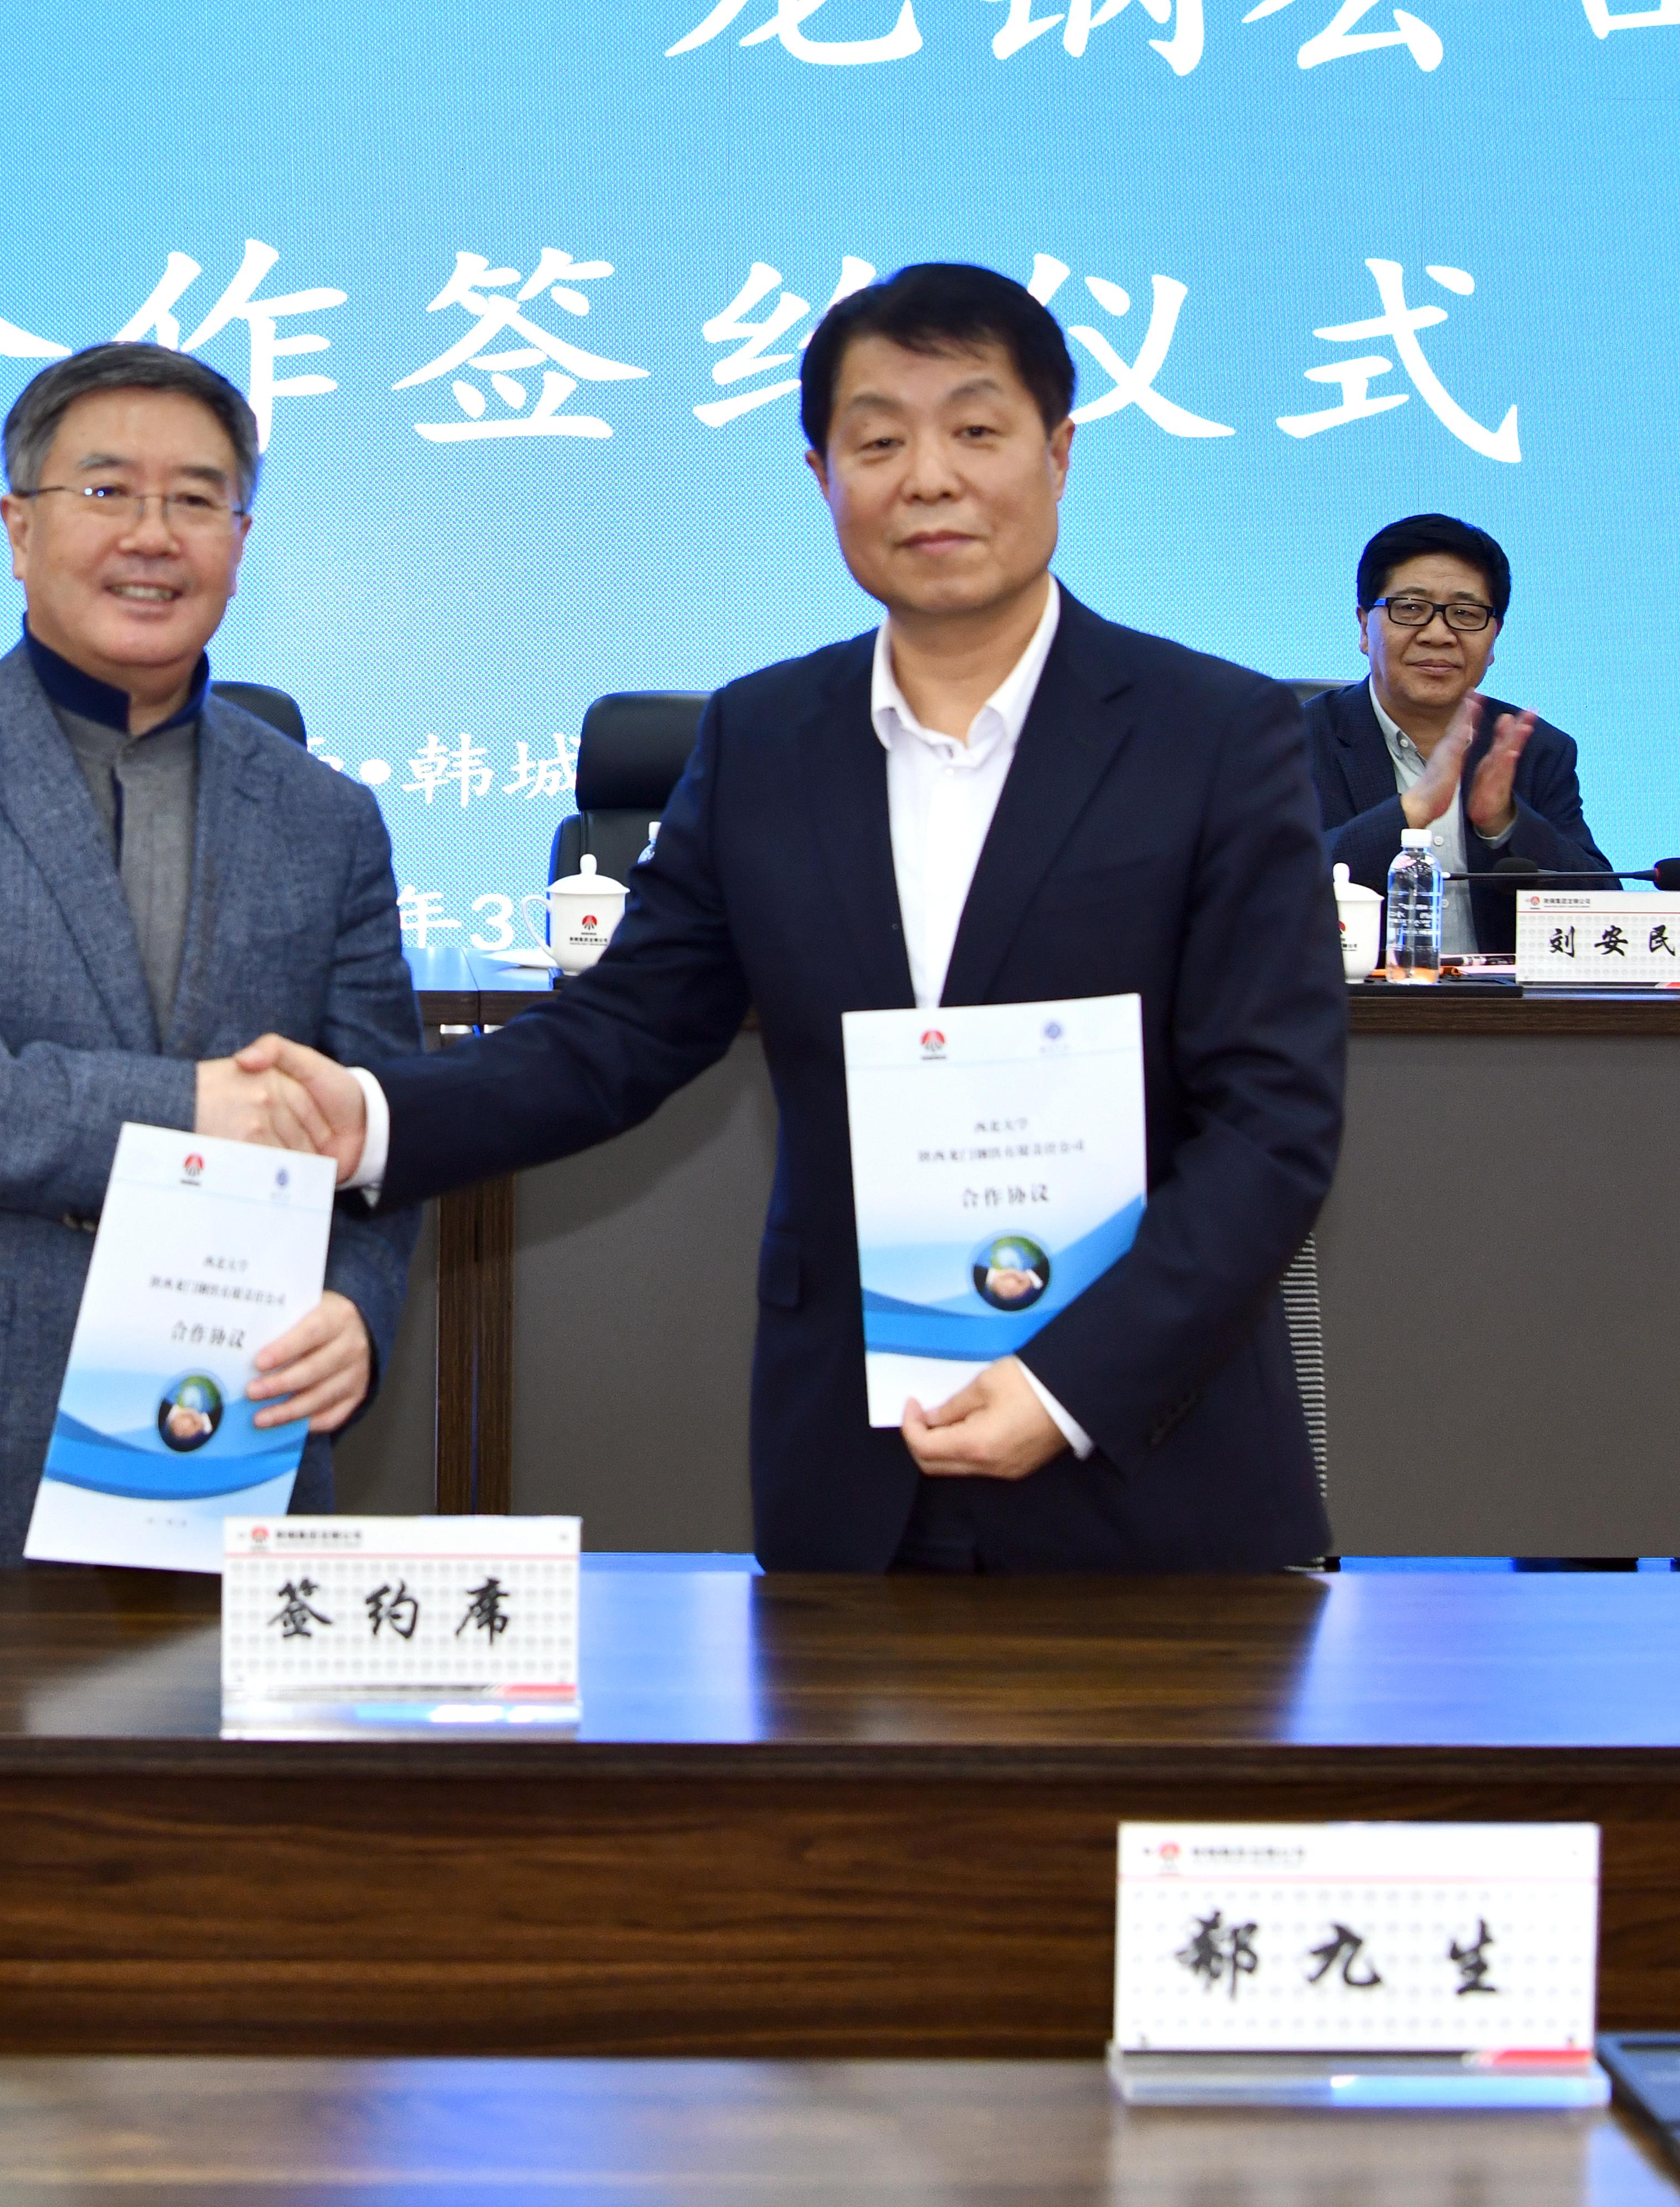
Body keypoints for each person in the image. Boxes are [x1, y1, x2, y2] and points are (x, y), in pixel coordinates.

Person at [231, 261, 1345, 1575]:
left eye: (975, 429)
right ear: (822, 474)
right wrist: (371, 1118)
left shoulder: (1215, 733)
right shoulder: (762, 736)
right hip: (855, 1475)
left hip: (1150, 1464)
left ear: (1058, 453)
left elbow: (1271, 1118)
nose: (928, 478)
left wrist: (1065, 1385)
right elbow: (622, 1030)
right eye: (877, 442)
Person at [0, 342, 423, 1567]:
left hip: (232, 1447)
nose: (152, 534)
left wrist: (361, 1308)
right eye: (107, 489)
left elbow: (382, 1120)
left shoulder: (327, 818)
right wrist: (187, 1110)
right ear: (19, 529)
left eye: (196, 499)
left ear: (241, 539)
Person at [1303, 511, 1608, 949]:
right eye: (1411, 608)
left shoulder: (1537, 749)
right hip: (1347, 993)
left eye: (1465, 614)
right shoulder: (1292, 741)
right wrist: (1411, 811)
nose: (1438, 634)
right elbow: (1262, 887)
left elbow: (1603, 916)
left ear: (1494, 637)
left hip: (1501, 995)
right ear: (1365, 627)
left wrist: (1505, 824)